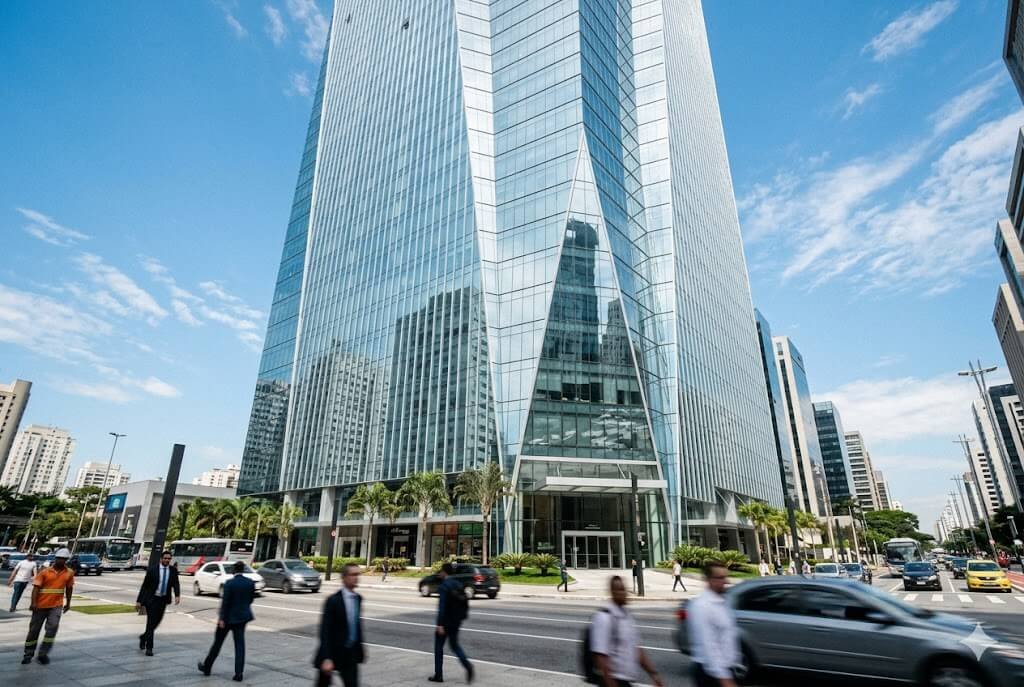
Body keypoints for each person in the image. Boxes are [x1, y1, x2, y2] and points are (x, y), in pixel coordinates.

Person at [590, 575, 664, 687]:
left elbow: (636, 649)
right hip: (612, 681)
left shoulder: (627, 616)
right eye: (620, 590)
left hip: (626, 682)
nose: (624, 593)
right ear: (612, 592)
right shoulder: (605, 617)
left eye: (624, 589)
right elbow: (600, 656)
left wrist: (654, 674)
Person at [198, 561, 255, 681]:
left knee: (217, 643)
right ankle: (239, 674)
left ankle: (207, 667)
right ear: (243, 570)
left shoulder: (229, 583)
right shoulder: (250, 583)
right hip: (242, 618)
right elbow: (250, 600)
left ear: (234, 570)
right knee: (240, 645)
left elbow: (225, 603)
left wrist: (222, 618)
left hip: (228, 619)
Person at [687, 562, 739, 687]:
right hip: (711, 674)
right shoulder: (702, 606)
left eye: (726, 577)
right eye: (720, 578)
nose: (726, 581)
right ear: (708, 580)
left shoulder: (722, 602)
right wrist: (724, 679)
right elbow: (708, 645)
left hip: (725, 670)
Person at [21, 547, 74, 665]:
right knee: (34, 630)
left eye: (64, 559)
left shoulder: (69, 573)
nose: (61, 561)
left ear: (66, 560)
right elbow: (36, 588)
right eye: (59, 558)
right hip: (40, 605)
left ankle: (43, 654)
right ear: (56, 558)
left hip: (56, 606)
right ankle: (28, 654)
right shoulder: (45, 572)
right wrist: (33, 603)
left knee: (52, 629)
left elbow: (69, 588)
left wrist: (68, 603)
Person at [315, 562, 365, 687]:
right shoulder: (333, 600)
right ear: (344, 577)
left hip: (350, 654)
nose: (356, 577)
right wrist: (326, 657)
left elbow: (356, 626)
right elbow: (325, 630)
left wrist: (360, 650)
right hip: (333, 652)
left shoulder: (358, 599)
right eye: (353, 574)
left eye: (357, 574)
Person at [429, 562, 473, 684]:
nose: (440, 574)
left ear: (444, 572)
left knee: (438, 648)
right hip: (456, 621)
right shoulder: (458, 584)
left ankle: (438, 675)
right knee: (455, 646)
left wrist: (440, 624)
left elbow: (441, 607)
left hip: (445, 622)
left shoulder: (444, 586)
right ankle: (467, 665)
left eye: (441, 571)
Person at [135, 550, 181, 656]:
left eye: (169, 558)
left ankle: (143, 637)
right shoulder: (152, 570)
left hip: (163, 600)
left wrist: (177, 595)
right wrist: (139, 601)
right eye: (165, 558)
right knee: (151, 623)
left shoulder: (173, 570)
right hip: (152, 600)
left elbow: (176, 583)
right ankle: (149, 648)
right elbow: (145, 586)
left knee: (157, 622)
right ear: (161, 559)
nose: (167, 560)